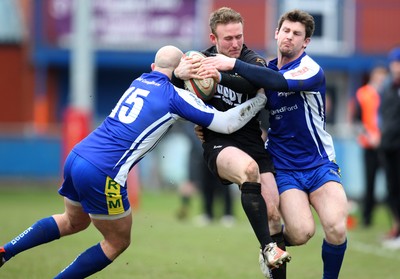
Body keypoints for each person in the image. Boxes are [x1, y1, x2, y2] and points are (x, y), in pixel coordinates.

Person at [0, 45, 268, 278]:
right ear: (183, 71)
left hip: (77, 156)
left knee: (73, 222)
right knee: (117, 242)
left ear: (154, 66)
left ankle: (5, 251)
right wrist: (259, 100)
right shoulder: (177, 97)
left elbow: (163, 87)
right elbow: (228, 123)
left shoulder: (140, 80)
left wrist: (179, 75)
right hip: (105, 172)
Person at [199, 9, 348, 279]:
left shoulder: (309, 69)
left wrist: (228, 64)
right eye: (286, 31)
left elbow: (278, 82)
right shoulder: (262, 72)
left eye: (297, 34)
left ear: (306, 42)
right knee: (301, 233)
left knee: (337, 228)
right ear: (276, 33)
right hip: (285, 167)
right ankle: (270, 245)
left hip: (319, 164)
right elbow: (245, 96)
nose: (290, 37)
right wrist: (205, 121)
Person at [172, 7, 290, 277]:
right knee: (248, 171)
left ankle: (270, 254)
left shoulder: (251, 60)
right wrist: (178, 74)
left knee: (274, 216)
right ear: (214, 39)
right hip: (218, 144)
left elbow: (252, 85)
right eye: (228, 39)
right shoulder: (200, 60)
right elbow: (172, 90)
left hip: (253, 144)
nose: (235, 44)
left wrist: (221, 75)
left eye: (239, 36)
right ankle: (267, 247)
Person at [353, 65, 388, 227]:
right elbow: (357, 120)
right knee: (370, 182)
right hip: (369, 145)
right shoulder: (363, 94)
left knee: (392, 183)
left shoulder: (389, 93)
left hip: (388, 144)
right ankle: (367, 219)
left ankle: (393, 222)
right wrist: (369, 135)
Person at [380, 46, 400, 249]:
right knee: (391, 190)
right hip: (388, 146)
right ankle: (396, 229)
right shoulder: (388, 87)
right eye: (395, 63)